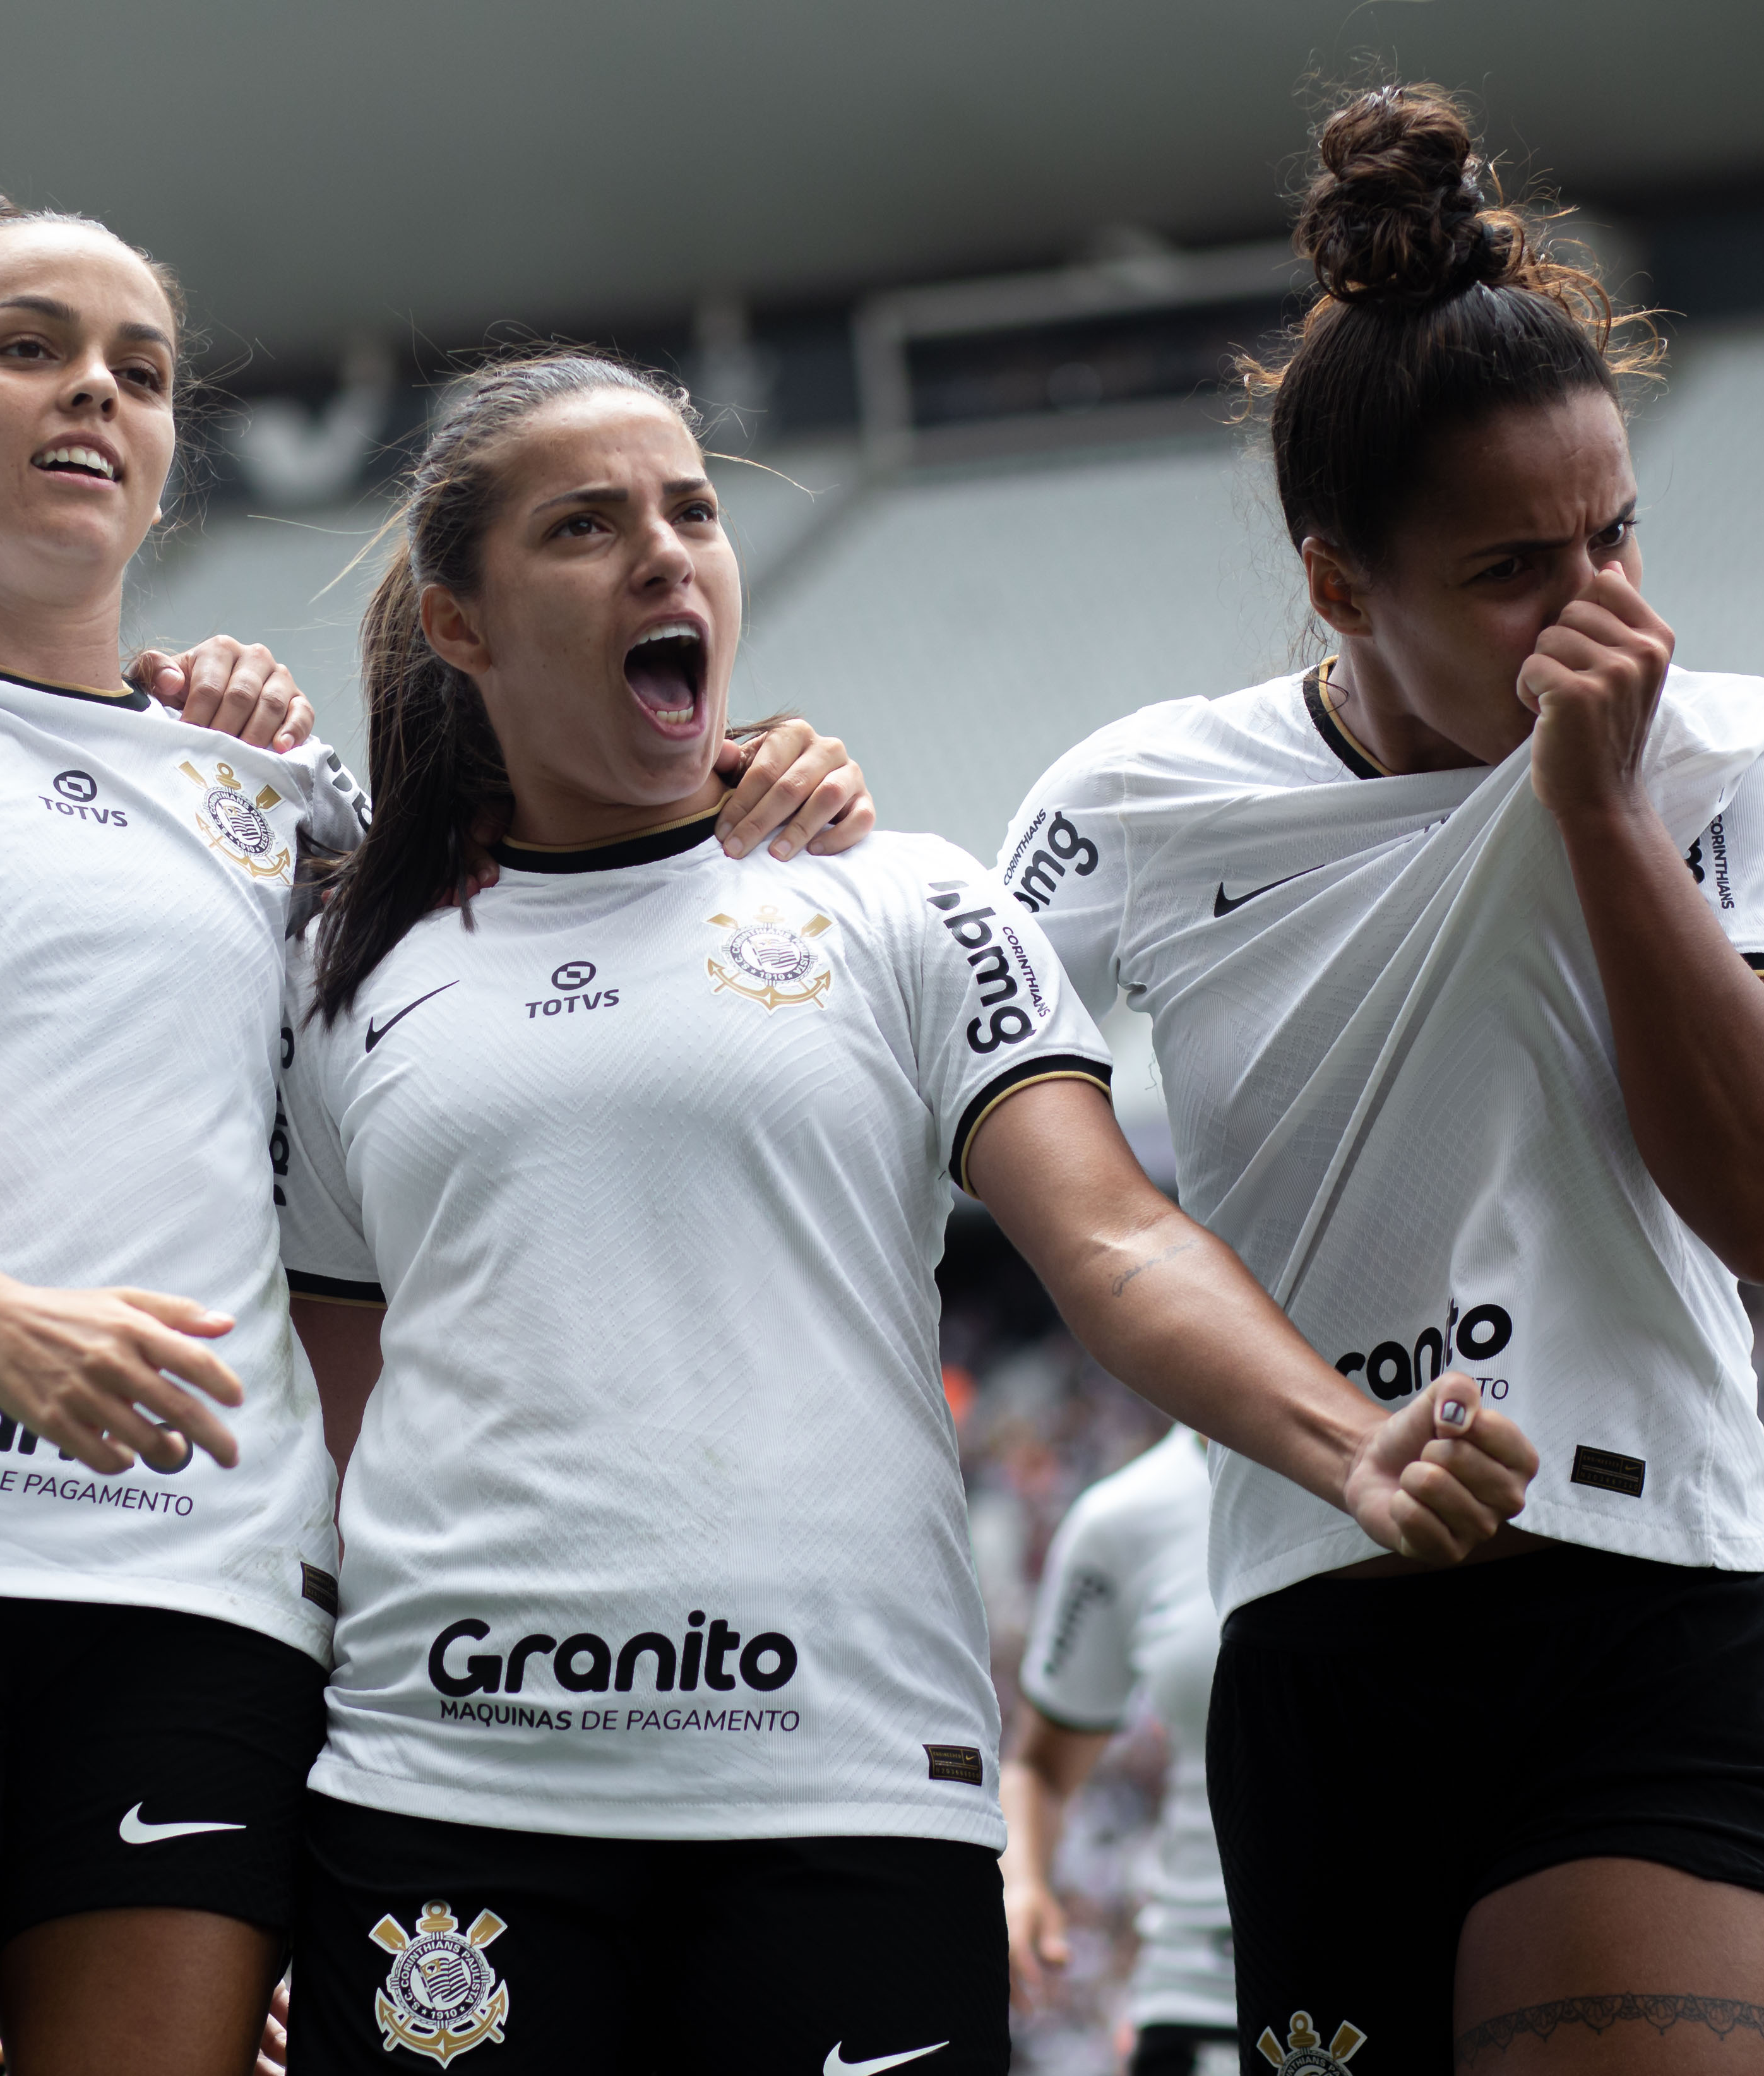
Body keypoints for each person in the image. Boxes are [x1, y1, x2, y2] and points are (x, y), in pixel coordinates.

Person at [0, 189, 869, 2076]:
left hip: (195, 1593)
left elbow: (556, 935)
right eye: (26, 347)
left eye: (138, 371)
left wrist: (762, 783)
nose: (91, 395)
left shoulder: (274, 790)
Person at [268, 350, 1535, 2075]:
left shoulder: (906, 902)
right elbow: (332, 1441)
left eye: (690, 511)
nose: (664, 554)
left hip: (844, 1790)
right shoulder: (350, 970)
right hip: (443, 1802)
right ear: (461, 624)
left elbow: (1114, 1238)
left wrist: (1344, 1443)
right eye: (585, 526)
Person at [997, 84, 1764, 2076]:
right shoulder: (1132, 806)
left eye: (1617, 533)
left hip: (1657, 1612)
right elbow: (938, 1104)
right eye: (1511, 570)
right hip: (1321, 1624)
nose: (1603, 611)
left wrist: (1607, 813)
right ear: (1336, 584)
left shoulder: (1709, 752)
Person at [1001, 1428, 1234, 2076]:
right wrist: (1025, 1881)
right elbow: (1040, 1765)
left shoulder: (1428, 1453)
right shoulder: (1125, 1517)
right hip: (1203, 2003)